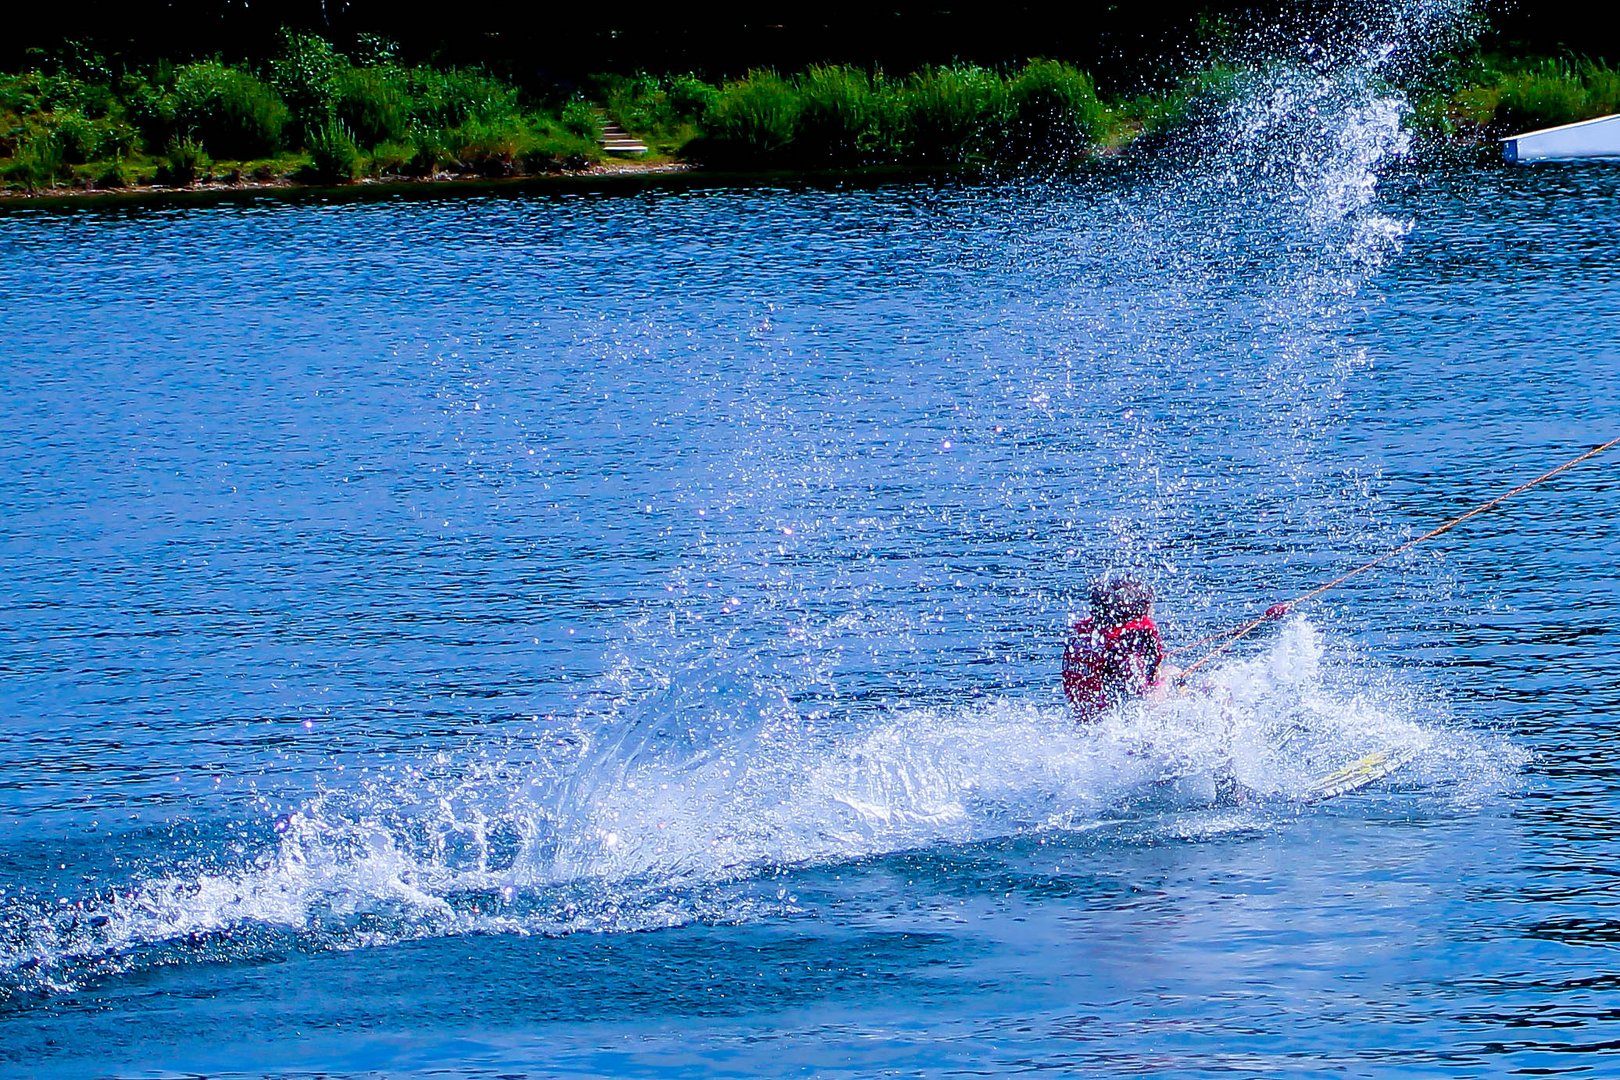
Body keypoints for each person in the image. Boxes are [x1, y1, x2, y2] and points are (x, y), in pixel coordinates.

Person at [1063, 574, 1177, 721]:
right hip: (1121, 720)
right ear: (1143, 609)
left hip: (1082, 716)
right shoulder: (1138, 633)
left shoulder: (1087, 635)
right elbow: (1147, 694)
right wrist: (1169, 680)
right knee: (1174, 673)